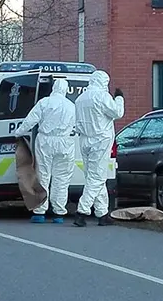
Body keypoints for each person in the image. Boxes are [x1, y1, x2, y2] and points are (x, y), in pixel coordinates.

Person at [14, 78, 77, 224]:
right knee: (62, 179)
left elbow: (31, 120)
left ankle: (40, 212)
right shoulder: (71, 106)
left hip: (46, 141)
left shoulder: (44, 102)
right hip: (65, 142)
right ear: (66, 90)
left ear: (53, 88)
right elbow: (79, 126)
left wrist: (18, 133)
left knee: (43, 175)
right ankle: (59, 213)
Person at [73, 70, 124, 227]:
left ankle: (102, 214)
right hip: (100, 140)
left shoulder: (80, 99)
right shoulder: (102, 97)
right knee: (97, 178)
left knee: (93, 178)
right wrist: (119, 98)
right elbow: (118, 113)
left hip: (84, 140)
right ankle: (81, 212)